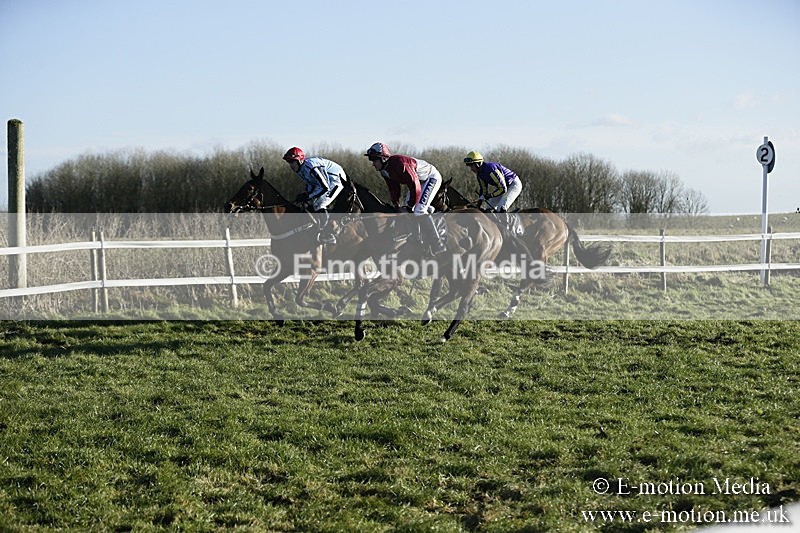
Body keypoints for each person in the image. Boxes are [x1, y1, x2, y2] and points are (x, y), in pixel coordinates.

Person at [364, 142, 446, 255]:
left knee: (418, 210)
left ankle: (438, 243)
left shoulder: (400, 164)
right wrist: (396, 203)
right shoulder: (384, 171)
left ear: (383, 158)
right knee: (410, 210)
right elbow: (393, 187)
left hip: (430, 178)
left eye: (374, 160)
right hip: (418, 182)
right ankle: (418, 236)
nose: (373, 164)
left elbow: (414, 184)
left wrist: (409, 206)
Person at [282, 147, 347, 245]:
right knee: (310, 203)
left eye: (292, 161)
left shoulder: (311, 167)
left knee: (320, 204)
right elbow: (311, 184)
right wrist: (306, 195)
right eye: (289, 162)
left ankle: (328, 234)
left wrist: (308, 196)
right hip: (326, 180)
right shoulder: (300, 170)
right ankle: (316, 228)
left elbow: (325, 187)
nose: (291, 165)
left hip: (336, 178)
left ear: (299, 160)